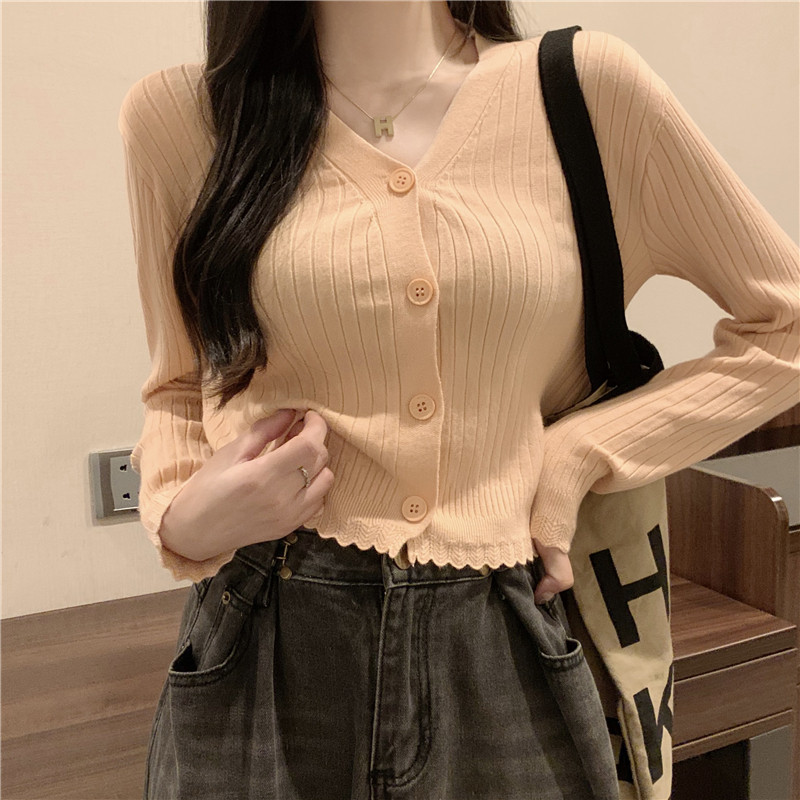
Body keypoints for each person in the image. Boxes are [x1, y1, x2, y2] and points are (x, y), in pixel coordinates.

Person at [117, 2, 800, 798]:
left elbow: (784, 327)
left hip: (505, 622)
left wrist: (578, 455)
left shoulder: (581, 90)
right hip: (267, 623)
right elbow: (177, 384)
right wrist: (183, 518)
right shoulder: (181, 119)